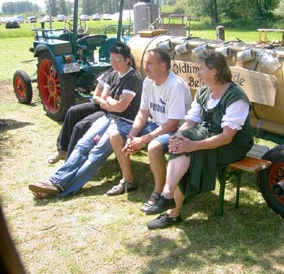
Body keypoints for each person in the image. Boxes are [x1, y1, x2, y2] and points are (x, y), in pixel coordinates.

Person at [145, 50, 254, 229]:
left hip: (233, 145)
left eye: (201, 69)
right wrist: (178, 136)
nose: (197, 73)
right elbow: (191, 121)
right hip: (206, 135)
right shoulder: (204, 91)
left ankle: (172, 210)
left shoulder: (236, 98)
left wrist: (193, 145)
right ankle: (168, 196)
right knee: (180, 146)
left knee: (190, 154)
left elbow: (227, 137)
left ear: (214, 71)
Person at [28, 42, 143, 198]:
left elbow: (121, 108)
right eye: (112, 60)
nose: (114, 63)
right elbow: (102, 99)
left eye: (118, 60)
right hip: (109, 117)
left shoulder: (133, 78)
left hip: (125, 123)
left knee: (96, 153)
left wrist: (110, 102)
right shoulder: (112, 74)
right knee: (83, 144)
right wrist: (111, 103)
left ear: (127, 60)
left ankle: (63, 189)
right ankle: (55, 181)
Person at [106, 48, 193, 212]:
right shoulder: (148, 82)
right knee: (116, 135)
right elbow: (143, 112)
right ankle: (129, 180)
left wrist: (143, 140)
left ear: (163, 66)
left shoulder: (175, 85)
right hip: (155, 125)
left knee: (153, 147)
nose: (145, 67)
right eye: (145, 63)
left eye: (149, 63)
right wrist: (132, 135)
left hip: (177, 131)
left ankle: (159, 192)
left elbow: (172, 124)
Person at [47, 69, 112, 164]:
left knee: (82, 125)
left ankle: (71, 161)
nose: (114, 63)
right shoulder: (108, 75)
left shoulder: (127, 79)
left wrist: (107, 102)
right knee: (73, 111)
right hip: (103, 105)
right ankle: (63, 150)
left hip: (113, 112)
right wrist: (104, 101)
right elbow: (95, 97)